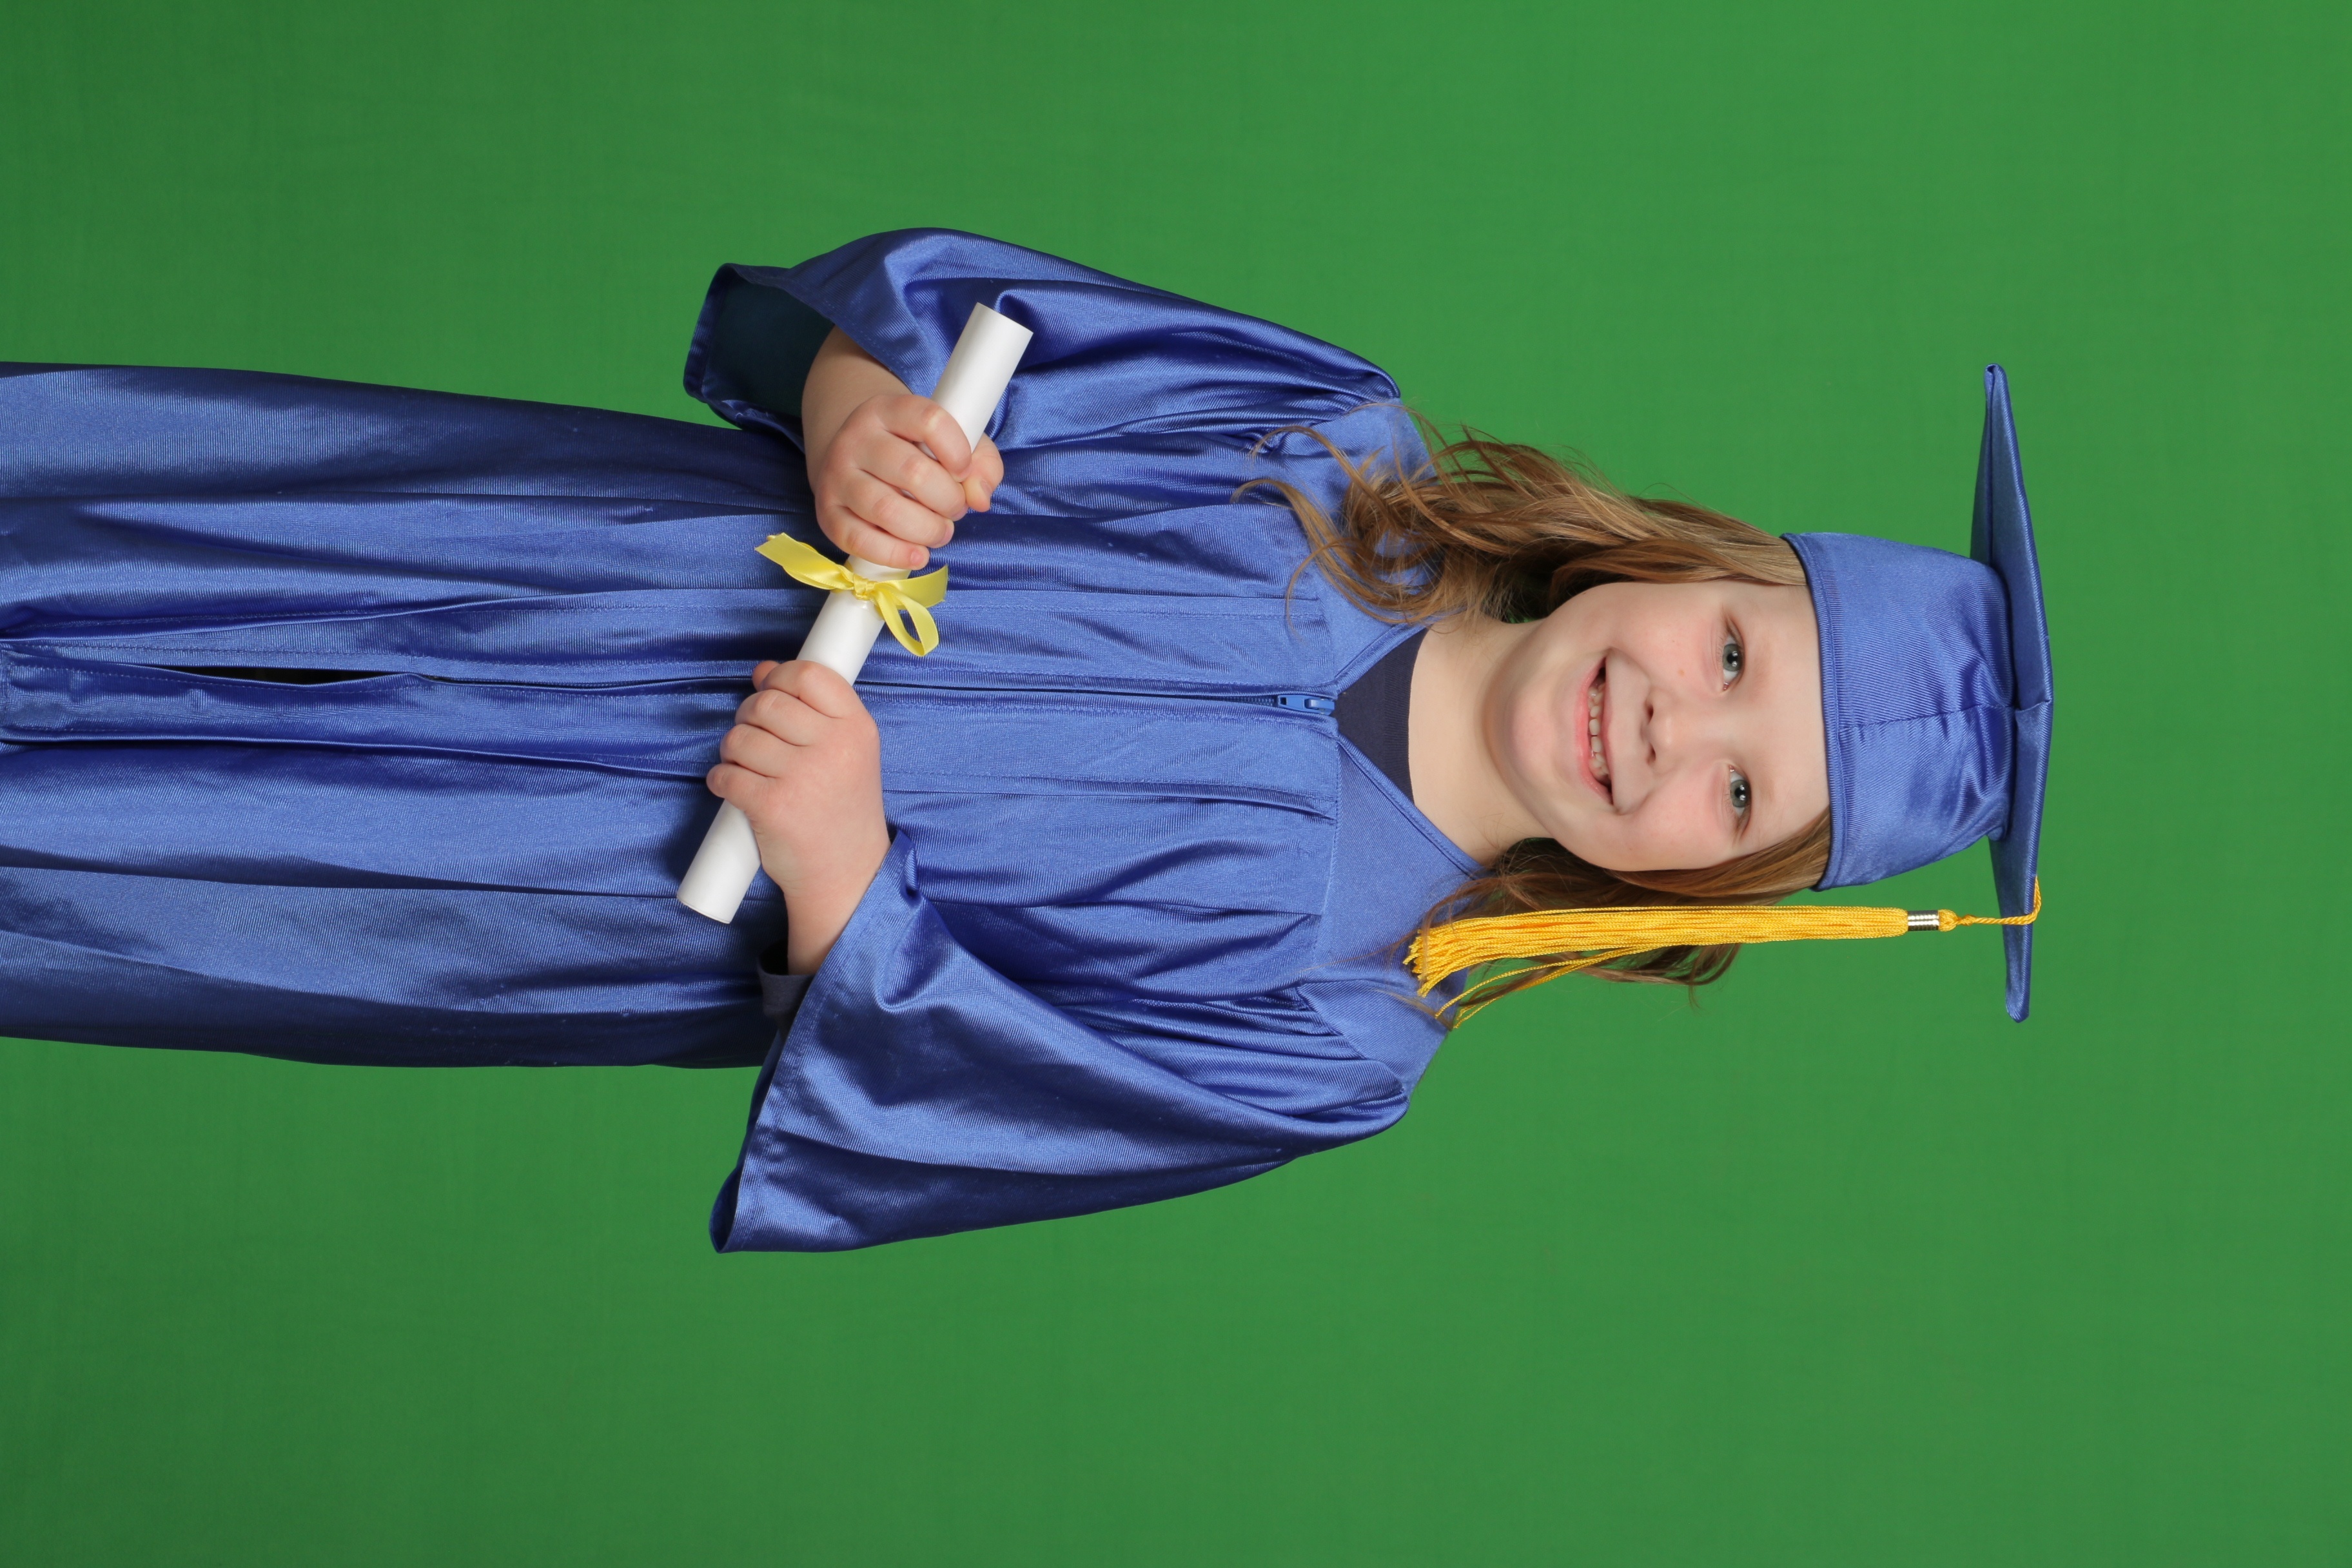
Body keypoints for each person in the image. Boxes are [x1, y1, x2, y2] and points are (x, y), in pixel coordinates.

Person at [0, 230, 2050, 1251]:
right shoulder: (1321, 445)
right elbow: (905, 321)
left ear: (1703, 895)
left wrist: (841, 875)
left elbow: (962, 1107)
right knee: (129, 547)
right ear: (1683, 561)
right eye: (1729, 652)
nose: (1673, 727)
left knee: (132, 854)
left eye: (1741, 790)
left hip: (559, 885)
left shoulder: (1338, 1032)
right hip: (546, 561)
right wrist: (858, 426)